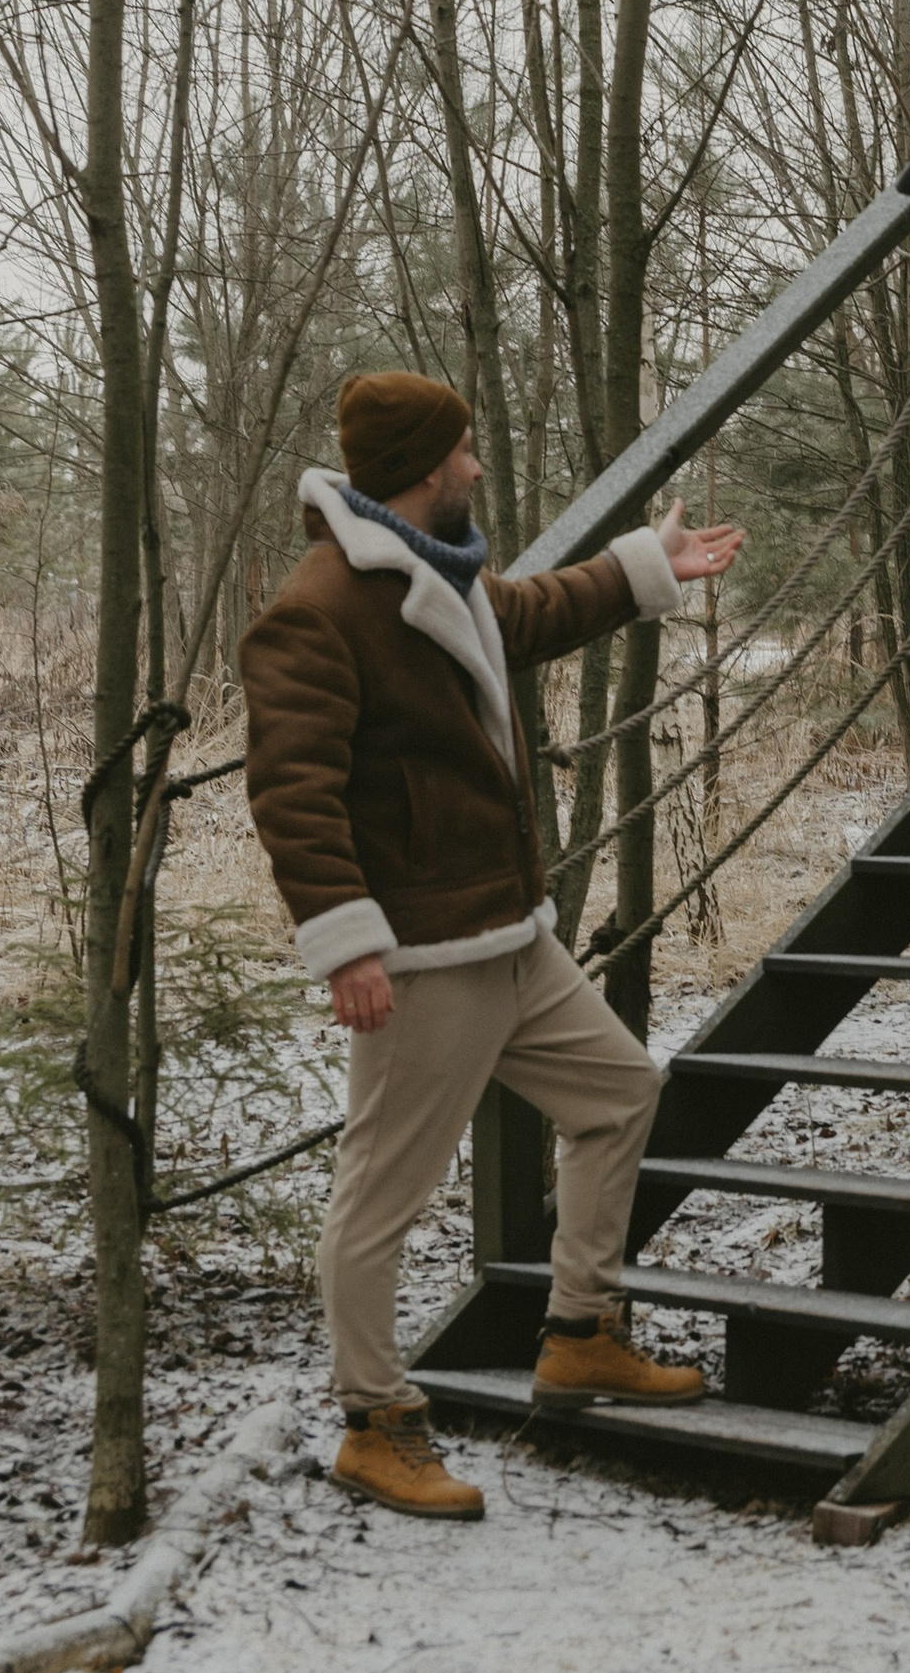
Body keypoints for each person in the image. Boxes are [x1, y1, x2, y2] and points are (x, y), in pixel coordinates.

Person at [242, 370, 743, 1520]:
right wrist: (348, 947)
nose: (476, 468)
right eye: (463, 452)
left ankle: (580, 1331)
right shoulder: (318, 608)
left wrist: (645, 564)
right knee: (382, 1195)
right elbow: (293, 793)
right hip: (422, 952)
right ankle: (375, 1420)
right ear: (424, 468)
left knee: (619, 1092)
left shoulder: (437, 567)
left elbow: (522, 615)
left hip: (507, 930)